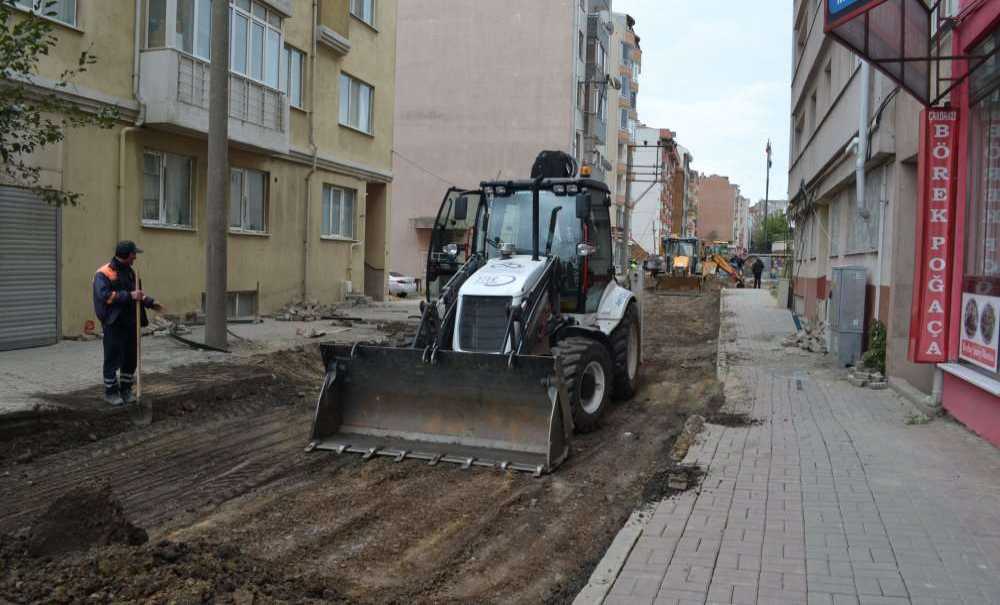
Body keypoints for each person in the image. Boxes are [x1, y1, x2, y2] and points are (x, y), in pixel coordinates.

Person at [92, 241, 162, 406]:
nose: (135, 257)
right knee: (113, 358)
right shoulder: (104, 273)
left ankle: (126, 389)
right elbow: (106, 297)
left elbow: (137, 295)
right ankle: (111, 392)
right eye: (133, 254)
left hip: (131, 321)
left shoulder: (131, 273)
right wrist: (129, 295)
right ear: (126, 255)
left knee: (130, 359)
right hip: (114, 323)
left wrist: (150, 302)